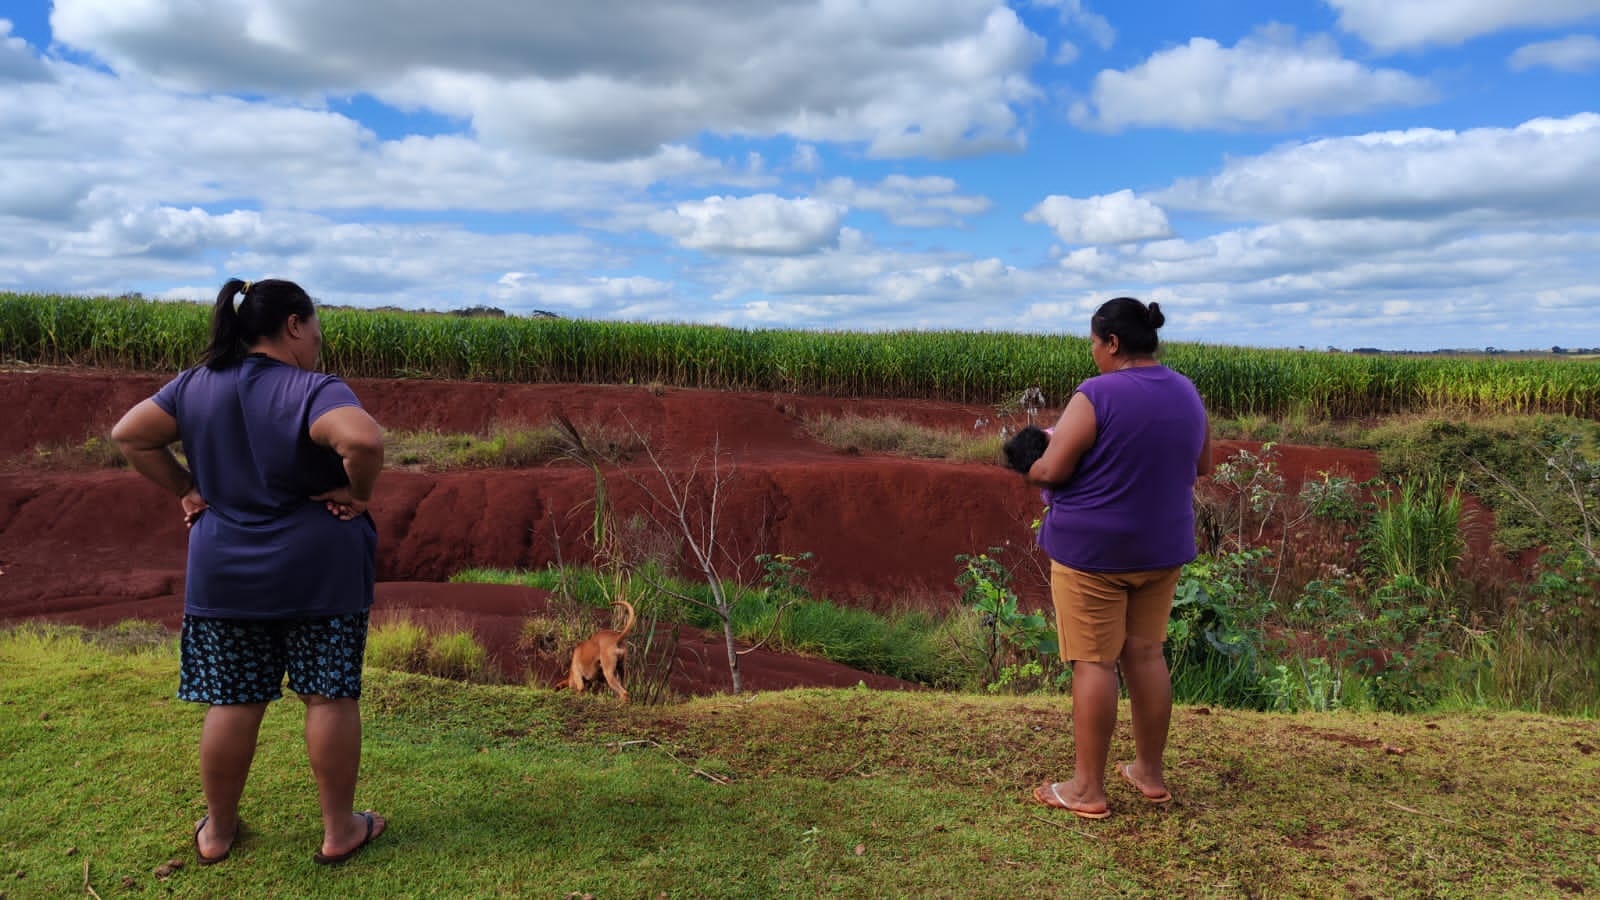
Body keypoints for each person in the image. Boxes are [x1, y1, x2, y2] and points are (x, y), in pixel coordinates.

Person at [111, 278, 389, 864]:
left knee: (233, 701)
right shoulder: (313, 388)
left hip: (225, 572)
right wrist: (357, 492)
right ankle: (340, 831)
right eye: (315, 327)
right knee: (329, 697)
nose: (318, 340)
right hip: (321, 572)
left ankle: (217, 833)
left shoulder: (194, 385)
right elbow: (362, 440)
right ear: (293, 324)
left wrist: (187, 488)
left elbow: (130, 435)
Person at [1023, 296, 1211, 819]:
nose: (1092, 354)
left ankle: (1087, 789)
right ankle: (1148, 772)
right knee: (1146, 655)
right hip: (1163, 548)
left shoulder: (1096, 395)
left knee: (1094, 662)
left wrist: (1031, 458)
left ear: (1111, 342)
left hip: (1093, 553)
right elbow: (1203, 463)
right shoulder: (1186, 390)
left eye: (1093, 343)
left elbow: (1050, 472)